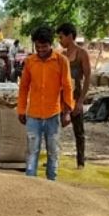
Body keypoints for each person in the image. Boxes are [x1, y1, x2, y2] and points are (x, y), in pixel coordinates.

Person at [17, 26, 74, 181]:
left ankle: (52, 184)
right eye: (38, 47)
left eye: (44, 46)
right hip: (33, 116)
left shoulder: (61, 61)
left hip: (53, 115)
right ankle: (30, 183)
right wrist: (21, 110)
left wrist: (68, 111)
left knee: (53, 151)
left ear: (51, 44)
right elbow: (23, 88)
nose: (41, 50)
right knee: (32, 151)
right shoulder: (30, 62)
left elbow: (68, 87)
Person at [57, 23, 92, 169]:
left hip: (76, 97)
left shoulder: (82, 54)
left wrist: (81, 101)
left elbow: (88, 78)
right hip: (62, 98)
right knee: (55, 130)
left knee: (79, 131)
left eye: (61, 37)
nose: (59, 40)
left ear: (70, 36)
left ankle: (80, 162)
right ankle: (54, 159)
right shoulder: (61, 55)